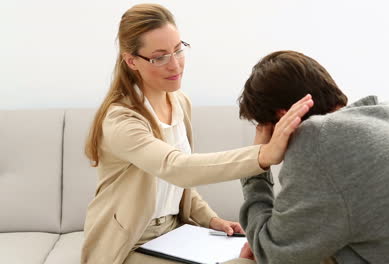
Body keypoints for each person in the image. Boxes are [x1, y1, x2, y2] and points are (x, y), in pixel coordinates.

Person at [80, 4, 313, 264]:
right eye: (160, 57)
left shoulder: (179, 102)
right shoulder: (121, 120)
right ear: (131, 60)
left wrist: (211, 219)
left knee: (259, 255)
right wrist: (263, 154)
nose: (175, 64)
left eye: (178, 50)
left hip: (175, 233)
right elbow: (176, 167)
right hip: (129, 244)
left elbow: (177, 186)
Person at [235, 50, 389, 264]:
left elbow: (272, 254)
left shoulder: (317, 140)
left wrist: (256, 165)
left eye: (264, 127)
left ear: (284, 116)